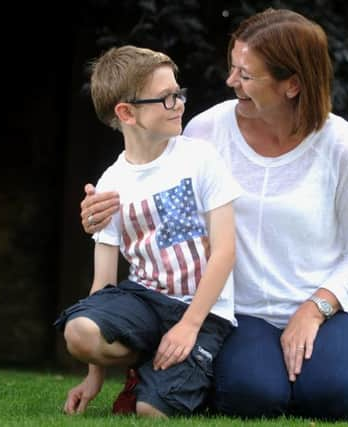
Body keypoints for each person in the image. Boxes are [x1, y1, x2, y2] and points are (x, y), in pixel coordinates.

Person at [80, 8, 348, 421]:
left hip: (330, 307)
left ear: (291, 85)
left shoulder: (342, 145)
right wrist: (102, 212)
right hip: (243, 313)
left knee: (334, 399)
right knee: (252, 399)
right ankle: (165, 375)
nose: (230, 82)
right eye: (233, 67)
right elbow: (148, 187)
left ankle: (306, 373)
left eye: (246, 74)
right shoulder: (206, 132)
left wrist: (313, 310)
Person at [55, 45, 241, 418]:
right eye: (166, 98)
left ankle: (169, 376)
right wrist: (94, 376)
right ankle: (148, 360)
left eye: (178, 94)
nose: (179, 104)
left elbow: (224, 252)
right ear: (126, 112)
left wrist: (189, 326)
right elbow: (103, 286)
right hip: (143, 302)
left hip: (202, 312)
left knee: (149, 412)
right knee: (79, 331)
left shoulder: (199, 158)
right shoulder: (111, 183)